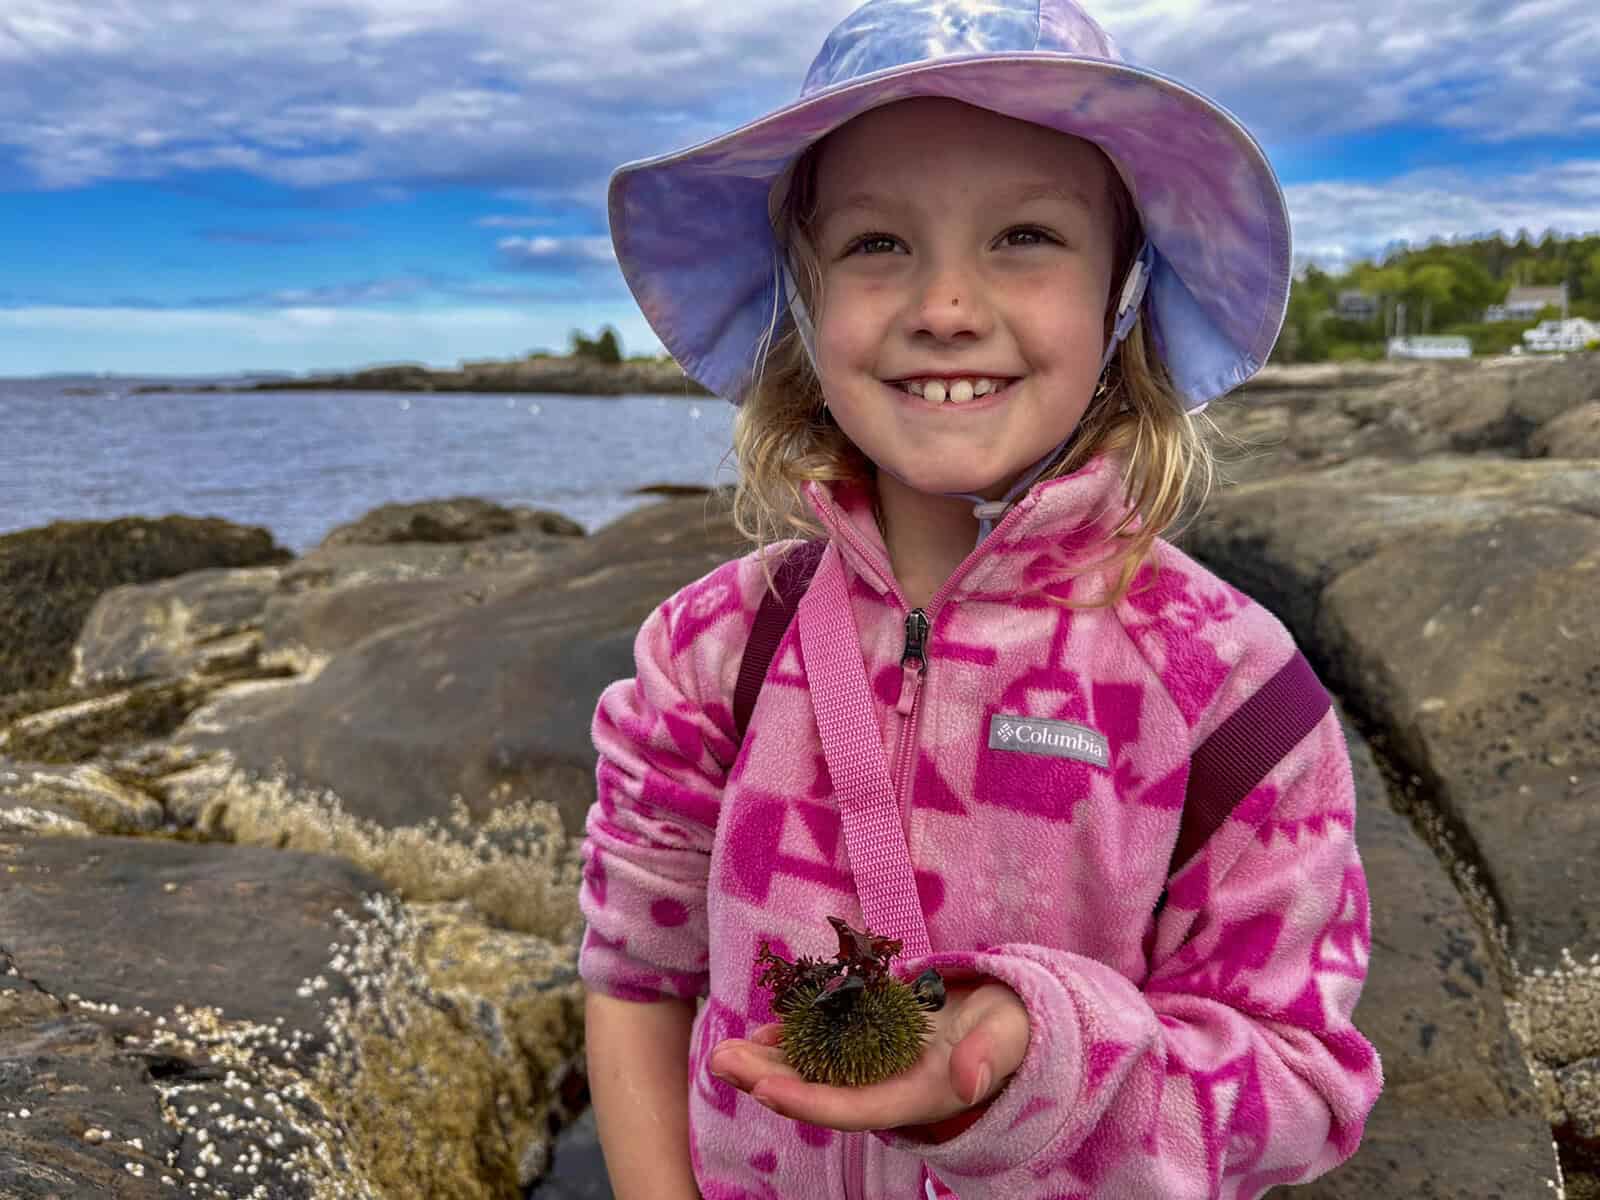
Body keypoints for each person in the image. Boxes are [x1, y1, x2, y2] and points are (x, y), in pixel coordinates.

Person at [578, 0, 1383, 1196]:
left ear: (1124, 295)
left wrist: (1032, 1054)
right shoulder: (710, 653)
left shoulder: (1234, 692)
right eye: (877, 246)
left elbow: (1302, 1080)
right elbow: (634, 971)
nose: (945, 305)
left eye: (1023, 236)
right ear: (802, 303)